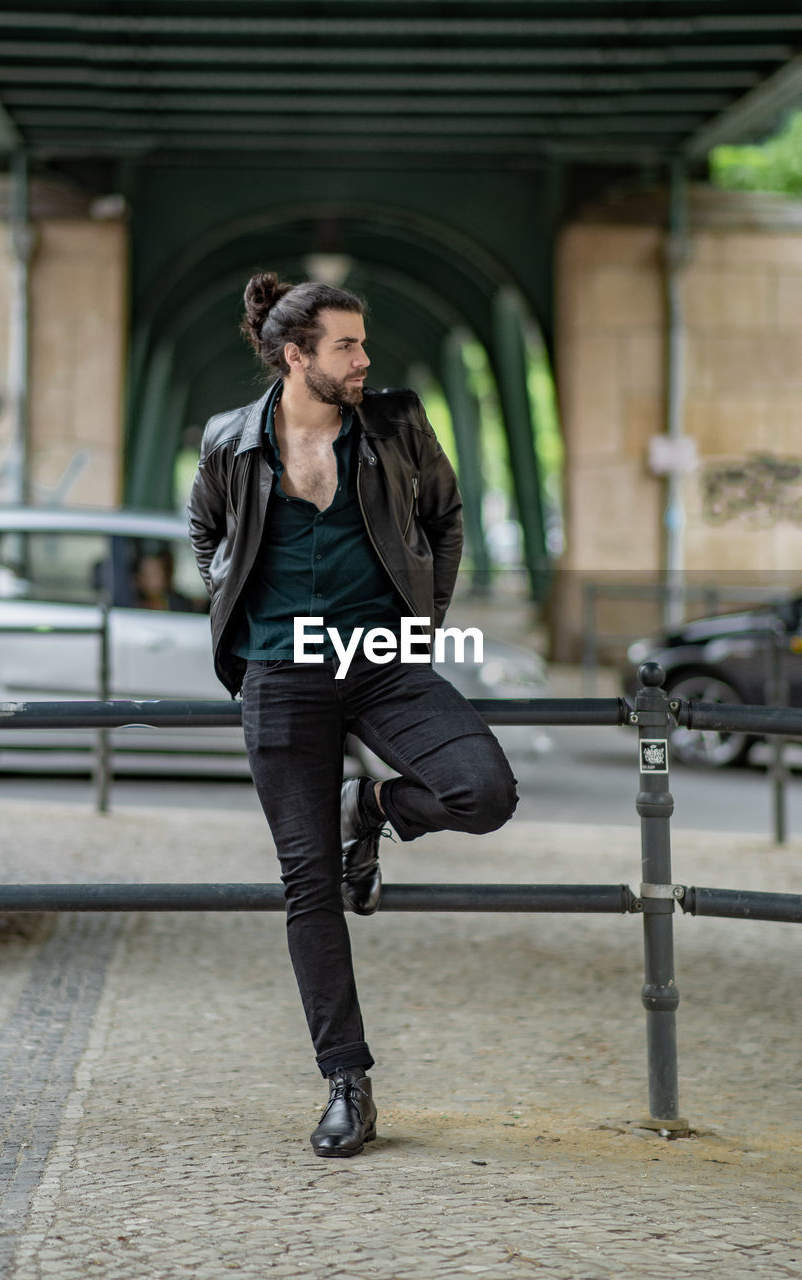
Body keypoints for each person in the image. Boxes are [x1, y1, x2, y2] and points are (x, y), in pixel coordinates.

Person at [188, 272, 518, 1158]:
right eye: (347, 346)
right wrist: (238, 613)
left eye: (363, 345)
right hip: (279, 673)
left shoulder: (397, 422)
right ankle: (347, 1080)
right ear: (296, 355)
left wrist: (421, 631)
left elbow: (445, 520)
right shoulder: (231, 441)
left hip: (380, 663)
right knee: (309, 883)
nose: (364, 359)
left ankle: (365, 809)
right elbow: (206, 537)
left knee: (483, 791)